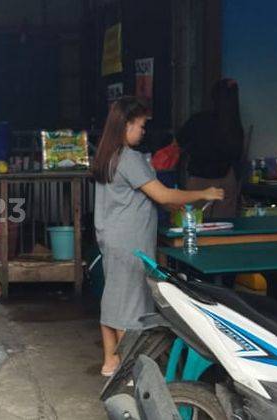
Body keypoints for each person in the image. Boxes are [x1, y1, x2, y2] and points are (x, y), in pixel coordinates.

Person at [92, 97, 224, 376]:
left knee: (114, 298)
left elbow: (154, 199)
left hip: (112, 238)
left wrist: (176, 202)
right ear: (126, 125)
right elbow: (162, 194)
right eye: (140, 125)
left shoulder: (107, 154)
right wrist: (204, 193)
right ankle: (130, 372)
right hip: (130, 242)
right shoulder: (129, 158)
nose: (142, 131)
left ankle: (111, 362)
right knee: (131, 307)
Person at [176, 79, 244, 218]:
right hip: (226, 180)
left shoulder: (198, 120)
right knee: (224, 228)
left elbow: (180, 142)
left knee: (196, 226)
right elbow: (237, 156)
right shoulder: (235, 125)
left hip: (199, 180)